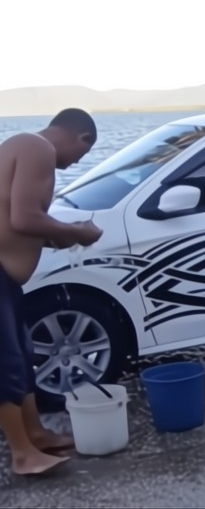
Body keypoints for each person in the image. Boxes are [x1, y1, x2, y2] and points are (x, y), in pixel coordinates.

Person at [0, 108, 103, 475]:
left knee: (22, 354)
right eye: (83, 155)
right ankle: (22, 454)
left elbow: (15, 223)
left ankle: (35, 434)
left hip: (6, 277)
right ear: (81, 138)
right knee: (6, 361)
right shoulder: (37, 147)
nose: (75, 163)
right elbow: (23, 218)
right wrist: (77, 231)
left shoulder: (22, 146)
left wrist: (59, 238)